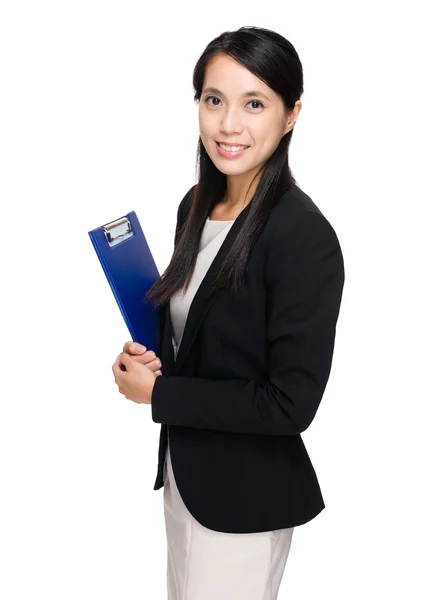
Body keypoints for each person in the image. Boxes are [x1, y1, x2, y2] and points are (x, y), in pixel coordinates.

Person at [112, 26, 345, 600]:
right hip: (187, 479)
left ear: (290, 115)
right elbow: (202, 338)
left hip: (244, 502)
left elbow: (291, 403)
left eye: (255, 103)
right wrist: (148, 361)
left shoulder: (302, 237)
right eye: (214, 100)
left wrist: (158, 396)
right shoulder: (196, 206)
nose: (228, 124)